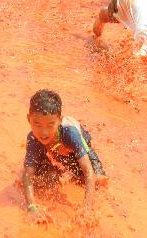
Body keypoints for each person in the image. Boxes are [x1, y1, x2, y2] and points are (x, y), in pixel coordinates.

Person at [21, 89, 107, 224]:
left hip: (75, 145)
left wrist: (87, 208)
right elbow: (27, 175)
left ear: (59, 121)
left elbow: (88, 170)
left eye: (50, 125)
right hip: (53, 148)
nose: (43, 132)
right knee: (42, 182)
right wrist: (31, 207)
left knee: (99, 181)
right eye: (37, 124)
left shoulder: (70, 133)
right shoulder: (33, 138)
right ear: (28, 119)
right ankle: (59, 169)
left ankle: (68, 171)